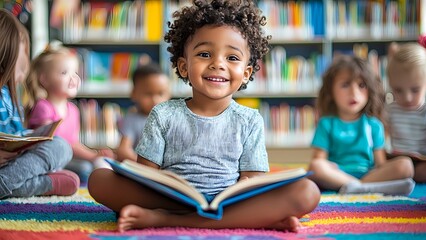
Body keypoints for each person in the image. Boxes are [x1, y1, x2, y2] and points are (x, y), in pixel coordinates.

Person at [88, 0, 320, 233]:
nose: (217, 64)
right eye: (205, 54)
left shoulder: (250, 119)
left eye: (232, 58)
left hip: (230, 201)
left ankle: (165, 220)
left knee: (307, 192)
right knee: (99, 179)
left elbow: (253, 181)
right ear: (184, 66)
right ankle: (253, 220)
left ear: (246, 72)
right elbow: (146, 176)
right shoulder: (163, 113)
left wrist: (239, 193)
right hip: (173, 198)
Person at [308, 54, 415, 196]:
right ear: (330, 92)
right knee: (316, 166)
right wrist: (325, 166)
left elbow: (380, 163)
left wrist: (384, 172)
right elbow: (319, 160)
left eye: (361, 85)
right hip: (337, 175)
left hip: (370, 174)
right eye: (345, 85)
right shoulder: (326, 124)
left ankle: (358, 187)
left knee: (406, 165)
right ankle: (365, 187)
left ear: (370, 90)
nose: (354, 92)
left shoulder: (374, 125)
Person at [0, 9, 78, 198]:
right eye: (22, 61)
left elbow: (15, 136)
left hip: (13, 162)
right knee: (61, 150)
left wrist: (34, 138)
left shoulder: (9, 95)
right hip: (7, 166)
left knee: (60, 145)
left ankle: (18, 181)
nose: (24, 71)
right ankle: (22, 183)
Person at [23, 45, 115, 182]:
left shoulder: (73, 110)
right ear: (44, 80)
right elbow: (51, 144)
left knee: (90, 167)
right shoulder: (43, 107)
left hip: (66, 159)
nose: (73, 78)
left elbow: (73, 143)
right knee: (85, 169)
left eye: (76, 73)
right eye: (64, 73)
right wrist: (92, 156)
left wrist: (95, 154)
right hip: (48, 159)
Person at [386, 43, 426, 183]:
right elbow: (381, 137)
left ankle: (407, 177)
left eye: (415, 90)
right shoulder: (390, 109)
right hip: (399, 161)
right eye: (398, 90)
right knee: (398, 167)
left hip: (423, 161)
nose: (407, 97)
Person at [116, 63, 170, 161]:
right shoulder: (132, 119)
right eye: (148, 94)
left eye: (161, 93)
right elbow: (123, 150)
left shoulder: (173, 119)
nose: (155, 100)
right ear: (134, 93)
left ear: (169, 94)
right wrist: (146, 165)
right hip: (143, 170)